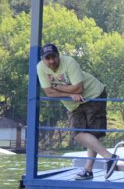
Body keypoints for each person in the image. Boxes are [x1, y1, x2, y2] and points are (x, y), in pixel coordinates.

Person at [36, 43, 118, 180]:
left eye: (54, 57)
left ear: (58, 55)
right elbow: (49, 93)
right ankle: (109, 157)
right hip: (73, 103)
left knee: (93, 134)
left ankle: (88, 170)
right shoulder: (40, 68)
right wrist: (69, 93)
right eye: (47, 58)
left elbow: (78, 88)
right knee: (78, 134)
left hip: (94, 95)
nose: (52, 61)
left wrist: (57, 87)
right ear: (43, 59)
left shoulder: (69, 62)